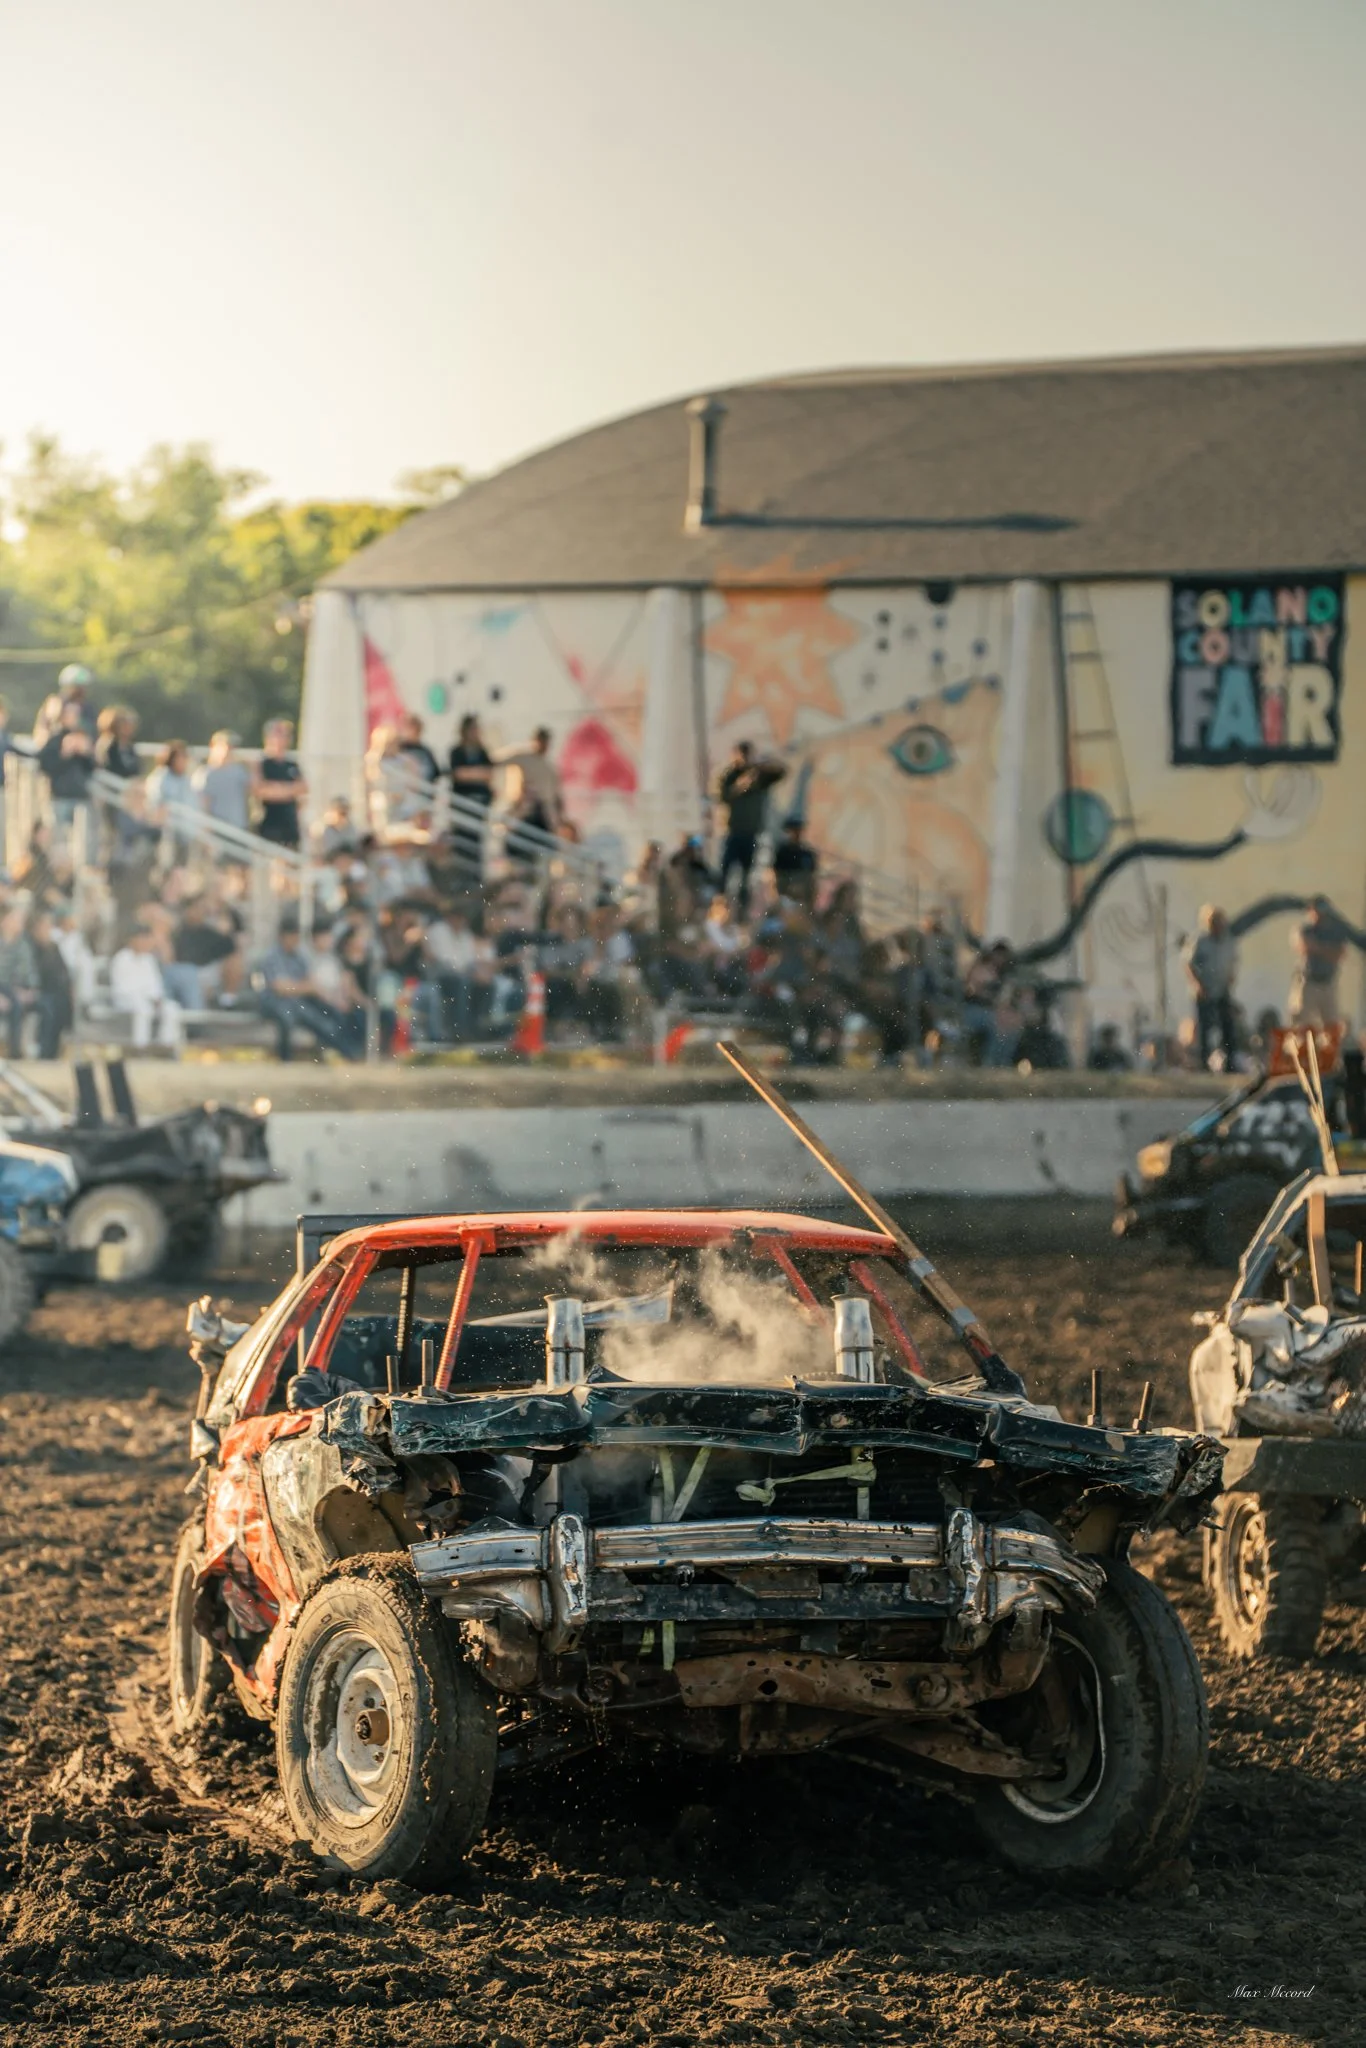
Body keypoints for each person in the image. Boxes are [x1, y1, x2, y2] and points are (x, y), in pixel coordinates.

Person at [256, 920, 359, 1060]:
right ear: (282, 936)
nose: (295, 940)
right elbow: (279, 988)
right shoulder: (272, 956)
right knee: (290, 1016)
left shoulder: (299, 956)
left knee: (328, 1016)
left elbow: (309, 983)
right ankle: (285, 1058)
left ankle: (348, 1051)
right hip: (274, 1002)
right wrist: (301, 987)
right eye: (292, 936)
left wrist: (296, 987)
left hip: (298, 1001)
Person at [714, 741, 786, 910]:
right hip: (734, 831)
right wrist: (742, 784)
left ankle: (743, 905)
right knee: (727, 869)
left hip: (751, 832)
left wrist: (763, 765)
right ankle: (720, 902)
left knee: (747, 874)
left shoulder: (759, 776)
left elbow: (781, 772)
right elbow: (724, 796)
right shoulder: (731, 776)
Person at [109, 925, 183, 1051]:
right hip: (126, 999)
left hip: (149, 999)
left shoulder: (149, 960)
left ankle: (165, 1046)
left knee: (172, 1008)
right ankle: (140, 1048)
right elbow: (122, 987)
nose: (145, 943)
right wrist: (146, 997)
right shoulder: (121, 959)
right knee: (143, 1009)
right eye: (142, 939)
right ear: (132, 940)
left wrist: (156, 998)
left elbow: (155, 984)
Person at [1183, 905, 1238, 1069]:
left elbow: (1233, 962)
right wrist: (1197, 985)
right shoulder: (1199, 940)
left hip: (1222, 990)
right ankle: (1203, 1063)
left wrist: (1230, 979)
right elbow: (1188, 964)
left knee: (1227, 1026)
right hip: (1204, 991)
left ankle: (1230, 1063)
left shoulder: (1228, 940)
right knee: (1204, 1029)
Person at [1290, 896, 1350, 1028]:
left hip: (1328, 983)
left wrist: (1318, 948)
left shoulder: (1335, 932)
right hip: (1309, 982)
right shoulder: (1306, 930)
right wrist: (1327, 949)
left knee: (1332, 1026)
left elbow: (1340, 954)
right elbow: (1304, 946)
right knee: (1301, 1025)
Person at [37, 700, 96, 828]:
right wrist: (64, 753)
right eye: (70, 713)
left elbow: (91, 768)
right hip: (60, 797)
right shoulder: (54, 739)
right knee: (60, 840)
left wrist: (86, 753)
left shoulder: (83, 736)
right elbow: (45, 766)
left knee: (81, 839)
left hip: (80, 796)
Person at [499, 726, 563, 838]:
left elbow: (554, 797)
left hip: (543, 813)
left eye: (545, 742)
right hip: (524, 809)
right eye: (540, 741)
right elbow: (496, 762)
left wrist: (556, 821)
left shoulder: (549, 769)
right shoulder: (522, 758)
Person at [28, 909, 73, 1058]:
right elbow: (34, 973)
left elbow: (63, 971)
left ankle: (55, 1051)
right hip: (38, 990)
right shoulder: (30, 947)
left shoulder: (54, 947)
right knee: (49, 1006)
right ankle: (44, 1052)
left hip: (57, 992)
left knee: (63, 1004)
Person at [254, 719, 306, 849]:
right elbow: (260, 790)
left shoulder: (292, 765)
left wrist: (277, 789)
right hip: (269, 826)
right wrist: (290, 790)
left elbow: (303, 788)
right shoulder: (262, 764)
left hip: (290, 826)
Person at [0, 905, 42, 1056]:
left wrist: (31, 990)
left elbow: (30, 972)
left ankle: (42, 1052)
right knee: (15, 1005)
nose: (20, 923)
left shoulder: (24, 945)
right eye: (16, 919)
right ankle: (15, 1053)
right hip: (3, 989)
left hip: (17, 989)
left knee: (48, 1005)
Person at [194, 730, 252, 835]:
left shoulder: (239, 771)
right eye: (225, 745)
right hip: (218, 831)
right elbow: (203, 805)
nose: (228, 750)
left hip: (239, 829)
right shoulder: (205, 774)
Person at [773, 818, 818, 910]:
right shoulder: (783, 853)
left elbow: (811, 875)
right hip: (786, 894)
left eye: (798, 831)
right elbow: (778, 873)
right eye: (793, 831)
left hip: (803, 898)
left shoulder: (807, 854)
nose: (796, 834)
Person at [94, 706, 141, 781]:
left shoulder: (129, 747)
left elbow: (135, 769)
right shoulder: (107, 745)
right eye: (125, 723)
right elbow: (107, 768)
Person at [395, 712, 440, 789]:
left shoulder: (426, 751)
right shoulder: (398, 750)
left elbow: (435, 775)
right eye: (409, 728)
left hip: (424, 794)